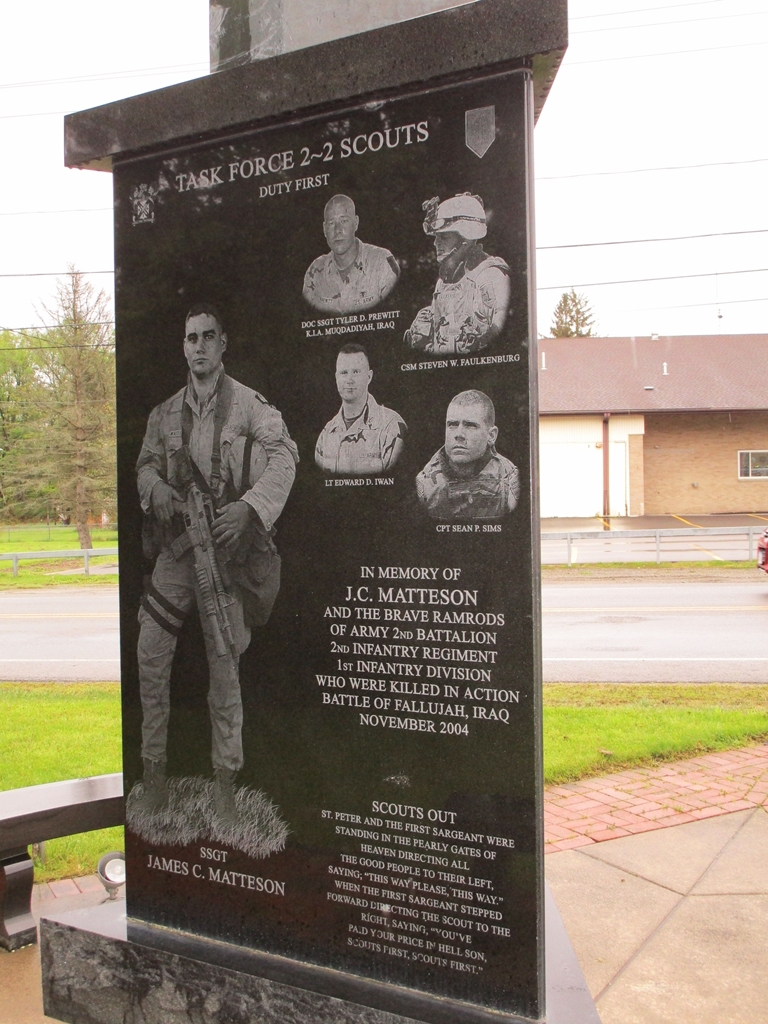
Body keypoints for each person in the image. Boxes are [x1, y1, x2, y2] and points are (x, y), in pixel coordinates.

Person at [133, 304, 298, 826]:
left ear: (223, 343)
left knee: (225, 665)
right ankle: (154, 773)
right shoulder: (164, 414)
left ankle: (225, 783)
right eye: (191, 338)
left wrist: (249, 508)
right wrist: (157, 489)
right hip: (178, 553)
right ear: (183, 346)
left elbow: (286, 457)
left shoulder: (249, 405)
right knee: (150, 654)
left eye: (208, 336)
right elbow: (144, 466)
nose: (199, 346)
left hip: (222, 556)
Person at [405, 193, 510, 356]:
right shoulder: (444, 281)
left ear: (466, 238)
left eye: (444, 237)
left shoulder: (490, 276)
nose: (436, 243)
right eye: (436, 236)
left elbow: (502, 340)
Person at [416, 390, 519, 519]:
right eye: (452, 425)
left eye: (470, 425)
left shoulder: (510, 480)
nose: (459, 434)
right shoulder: (424, 483)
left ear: (491, 436)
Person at [315, 344, 406, 475]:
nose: (349, 380)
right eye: (344, 373)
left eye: (356, 372)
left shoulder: (391, 427)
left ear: (369, 377)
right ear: (336, 378)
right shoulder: (326, 434)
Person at [303, 194, 400, 314]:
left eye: (344, 221)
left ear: (356, 223)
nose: (337, 230)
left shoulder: (381, 263)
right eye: (331, 223)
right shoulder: (315, 272)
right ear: (324, 229)